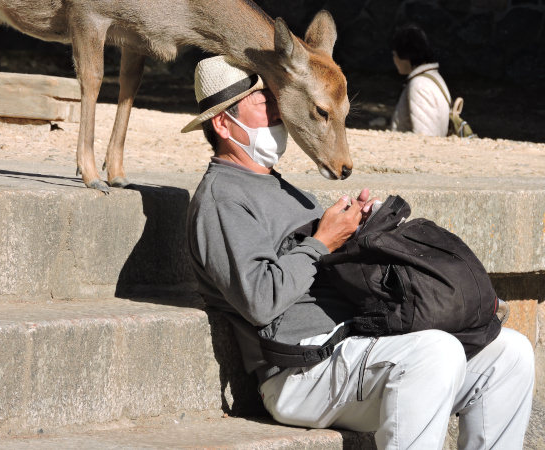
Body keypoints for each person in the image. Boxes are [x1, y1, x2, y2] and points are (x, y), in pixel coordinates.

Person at [183, 55, 534, 449]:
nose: (279, 108)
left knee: (510, 354)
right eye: (263, 103)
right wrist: (322, 241)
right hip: (300, 371)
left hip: (353, 346)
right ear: (222, 123)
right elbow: (261, 299)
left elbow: (325, 260)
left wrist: (358, 228)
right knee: (436, 352)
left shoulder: (283, 187)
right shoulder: (221, 199)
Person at [390, 24, 452, 137]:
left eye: (394, 54)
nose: (394, 60)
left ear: (405, 55)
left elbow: (425, 137)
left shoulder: (419, 85)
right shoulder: (433, 78)